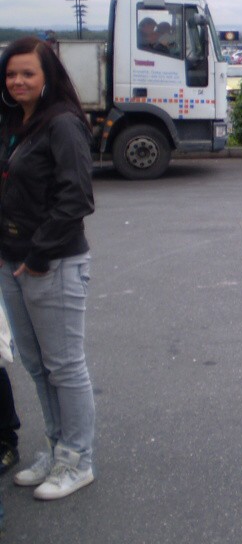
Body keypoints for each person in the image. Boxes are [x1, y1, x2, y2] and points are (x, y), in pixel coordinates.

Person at [0, 37, 96, 500]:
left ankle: (79, 460)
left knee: (65, 366)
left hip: (51, 262)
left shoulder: (63, 123)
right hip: (11, 260)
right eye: (10, 73)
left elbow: (77, 197)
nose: (17, 81)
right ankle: (58, 449)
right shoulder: (14, 123)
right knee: (37, 366)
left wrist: (37, 256)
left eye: (27, 73)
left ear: (47, 77)